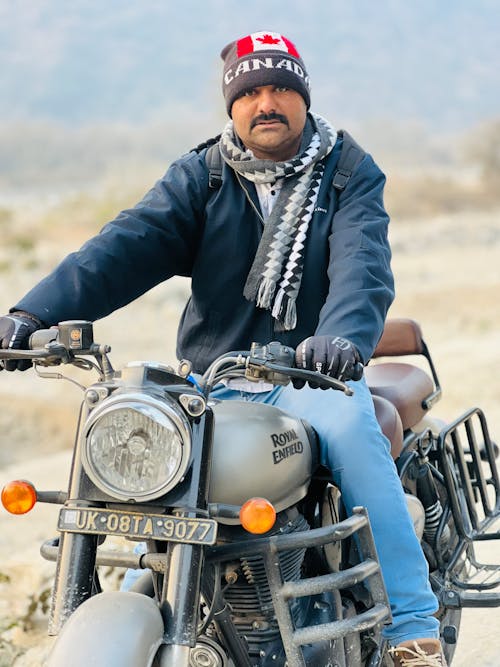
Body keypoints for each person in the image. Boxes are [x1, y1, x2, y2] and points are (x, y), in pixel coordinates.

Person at [0, 31, 446, 666]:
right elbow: (125, 246)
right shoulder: (203, 174)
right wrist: (31, 313)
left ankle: (410, 624)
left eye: (283, 89)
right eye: (253, 91)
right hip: (217, 379)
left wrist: (342, 337)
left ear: (304, 98)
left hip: (313, 376)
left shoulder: (345, 170)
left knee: (351, 430)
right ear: (232, 105)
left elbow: (362, 262)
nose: (268, 103)